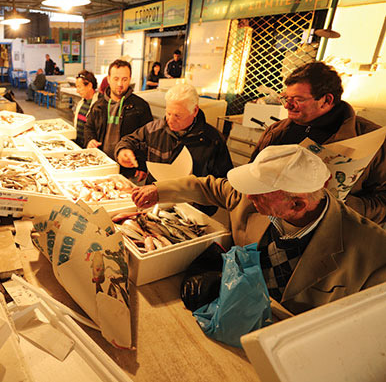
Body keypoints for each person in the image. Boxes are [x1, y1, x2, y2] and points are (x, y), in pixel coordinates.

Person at [133, 145, 386, 315]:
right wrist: (159, 190)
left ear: (296, 203)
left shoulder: (373, 254)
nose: (247, 195)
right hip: (232, 310)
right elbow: (207, 187)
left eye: (258, 192)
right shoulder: (249, 199)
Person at [251, 61, 386, 224]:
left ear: (326, 100)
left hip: (330, 231)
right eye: (285, 98)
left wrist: (333, 206)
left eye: (297, 99)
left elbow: (382, 201)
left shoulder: (372, 139)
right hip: (269, 225)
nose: (287, 105)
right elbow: (252, 173)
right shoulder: (276, 132)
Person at [115, 84, 232, 213]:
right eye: (168, 113)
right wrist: (123, 151)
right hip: (153, 204)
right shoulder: (154, 128)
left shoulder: (213, 140)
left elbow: (224, 183)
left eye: (177, 116)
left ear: (195, 111)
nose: (170, 120)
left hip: (194, 211)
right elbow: (129, 141)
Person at [85, 59, 153, 176]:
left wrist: (142, 164)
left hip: (129, 168)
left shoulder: (141, 106)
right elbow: (89, 127)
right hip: (102, 165)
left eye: (124, 79)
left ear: (130, 79)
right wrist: (90, 140)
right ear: (109, 79)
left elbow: (148, 138)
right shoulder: (98, 105)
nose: (120, 84)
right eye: (116, 79)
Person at [73, 70, 100, 148]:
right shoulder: (81, 102)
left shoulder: (100, 105)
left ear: (89, 86)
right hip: (79, 146)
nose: (77, 91)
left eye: (79, 87)